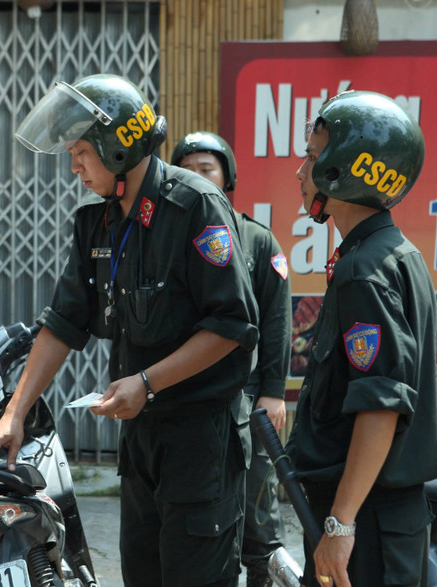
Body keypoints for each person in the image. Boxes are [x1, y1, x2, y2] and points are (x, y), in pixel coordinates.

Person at [0, 74, 260, 587]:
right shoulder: (97, 222)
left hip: (201, 442)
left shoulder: (195, 206)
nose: (74, 167)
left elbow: (232, 325)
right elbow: (63, 322)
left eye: (82, 152)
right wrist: (13, 414)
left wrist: (147, 382)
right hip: (142, 441)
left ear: (117, 146)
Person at [284, 90, 437, 587]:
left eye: (312, 157)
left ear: (344, 170)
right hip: (386, 520)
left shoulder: (363, 270)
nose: (300, 171)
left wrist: (340, 522)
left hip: (367, 524)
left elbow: (380, 406)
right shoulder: (395, 252)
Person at [171, 131, 291, 587]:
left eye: (207, 169)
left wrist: (274, 393)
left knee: (259, 507)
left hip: (246, 399)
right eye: (187, 169)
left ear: (228, 177)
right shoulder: (165, 237)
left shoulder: (259, 241)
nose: (197, 177)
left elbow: (277, 324)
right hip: (186, 399)